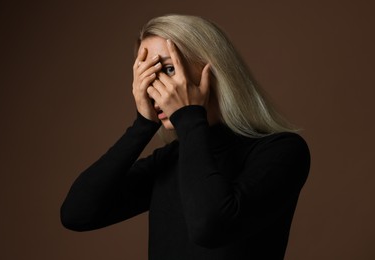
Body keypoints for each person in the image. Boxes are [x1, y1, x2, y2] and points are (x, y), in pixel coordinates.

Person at [60, 14, 310, 259]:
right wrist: (142, 125)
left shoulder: (282, 151)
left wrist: (190, 116)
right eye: (147, 75)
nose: (156, 90)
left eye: (168, 69)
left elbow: (210, 227)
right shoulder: (170, 160)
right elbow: (77, 214)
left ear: (212, 71)